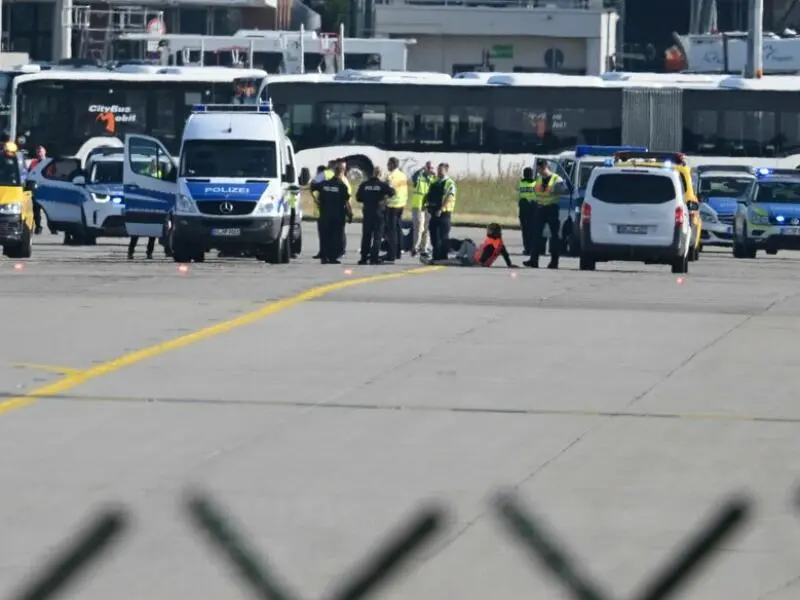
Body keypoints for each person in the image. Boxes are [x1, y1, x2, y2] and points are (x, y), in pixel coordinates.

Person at [524, 159, 565, 269]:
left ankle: (554, 262)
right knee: (536, 235)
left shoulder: (557, 179)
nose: (540, 171)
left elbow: (563, 190)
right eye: (538, 169)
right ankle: (534, 260)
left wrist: (552, 190)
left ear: (546, 166)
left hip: (552, 209)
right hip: (541, 209)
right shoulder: (539, 179)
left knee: (554, 237)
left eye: (541, 168)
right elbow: (536, 191)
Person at [310, 164, 352, 264]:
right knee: (335, 237)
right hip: (337, 215)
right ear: (341, 172)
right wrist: (350, 214)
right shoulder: (342, 186)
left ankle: (324, 257)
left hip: (325, 214)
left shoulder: (324, 184)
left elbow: (312, 186)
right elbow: (346, 201)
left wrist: (316, 199)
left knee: (325, 236)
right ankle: (332, 257)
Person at [423, 223, 518, 268]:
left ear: (493, 232)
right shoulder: (499, 243)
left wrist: (478, 264)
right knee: (468, 242)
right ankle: (457, 255)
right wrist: (509, 264)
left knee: (465, 244)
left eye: (489, 230)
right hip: (477, 256)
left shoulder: (492, 245)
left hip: (474, 260)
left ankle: (455, 258)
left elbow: (483, 258)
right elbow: (505, 255)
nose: (487, 232)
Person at [356, 166, 395, 265]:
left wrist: (367, 199)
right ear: (380, 174)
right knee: (377, 236)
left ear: (373, 173)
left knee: (366, 236)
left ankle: (364, 258)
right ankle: (374, 258)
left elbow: (358, 197)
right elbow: (392, 193)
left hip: (367, 212)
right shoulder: (383, 185)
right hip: (379, 213)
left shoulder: (364, 184)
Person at [425, 163, 457, 261]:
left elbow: (449, 197)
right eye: (438, 170)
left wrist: (441, 209)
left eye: (441, 170)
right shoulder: (435, 182)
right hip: (434, 212)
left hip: (444, 213)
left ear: (446, 171)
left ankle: (443, 256)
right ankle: (436, 255)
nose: (438, 172)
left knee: (443, 236)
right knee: (433, 234)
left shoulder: (449, 183)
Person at [383, 157, 408, 261]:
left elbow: (388, 191)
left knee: (391, 231)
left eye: (388, 164)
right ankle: (398, 252)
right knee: (398, 229)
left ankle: (391, 254)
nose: (387, 166)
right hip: (401, 204)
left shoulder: (390, 176)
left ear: (393, 164)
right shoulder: (403, 175)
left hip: (392, 205)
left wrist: (384, 202)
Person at [410, 161, 435, 258]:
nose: (430, 170)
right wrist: (421, 169)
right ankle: (415, 247)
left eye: (432, 168)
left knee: (427, 228)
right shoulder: (419, 178)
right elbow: (414, 177)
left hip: (428, 206)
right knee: (419, 227)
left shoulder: (433, 179)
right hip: (418, 205)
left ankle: (424, 247)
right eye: (428, 168)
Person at [518, 166, 536, 256]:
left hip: (523, 208)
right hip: (532, 208)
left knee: (525, 230)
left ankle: (527, 248)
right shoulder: (535, 184)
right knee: (532, 230)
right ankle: (532, 248)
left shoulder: (521, 183)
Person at [311, 165, 328, 259]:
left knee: (323, 234)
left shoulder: (320, 179)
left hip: (321, 211)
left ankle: (323, 252)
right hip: (327, 210)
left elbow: (311, 186)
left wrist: (314, 199)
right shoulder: (328, 179)